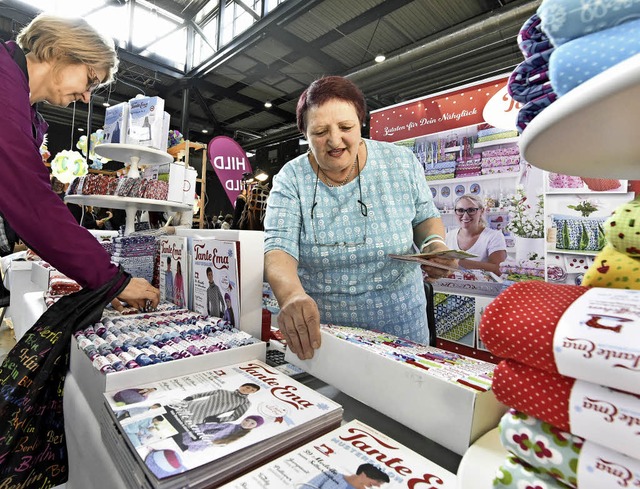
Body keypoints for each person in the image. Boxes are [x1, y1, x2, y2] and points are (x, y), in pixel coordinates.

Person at [263, 76, 455, 360]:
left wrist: (434, 244)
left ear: (361, 122)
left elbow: (424, 216)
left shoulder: (400, 162)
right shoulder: (291, 178)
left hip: (401, 323)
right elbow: (279, 246)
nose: (334, 140)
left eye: (345, 127)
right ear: (304, 134)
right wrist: (291, 295)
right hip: (322, 331)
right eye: (319, 132)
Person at [0, 14, 159, 311]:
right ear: (62, 51)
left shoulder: (21, 106)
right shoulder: (4, 90)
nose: (87, 97)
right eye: (91, 80)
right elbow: (34, 202)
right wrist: (114, 280)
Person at [444, 194, 507, 276]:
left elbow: (498, 270)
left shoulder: (494, 236)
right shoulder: (449, 236)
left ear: (481, 211)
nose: (465, 216)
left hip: (483, 288)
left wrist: (458, 262)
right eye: (460, 210)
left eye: (471, 210)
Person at [178, 383, 260, 425]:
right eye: (247, 387)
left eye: (252, 390)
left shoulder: (245, 402)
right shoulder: (222, 391)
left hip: (199, 417)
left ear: (254, 393)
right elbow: (200, 395)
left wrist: (217, 420)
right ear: (241, 386)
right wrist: (189, 398)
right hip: (189, 406)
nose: (248, 390)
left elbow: (234, 417)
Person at [176, 415, 264, 452]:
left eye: (252, 423)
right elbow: (206, 426)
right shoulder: (230, 426)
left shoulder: (239, 438)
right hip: (187, 438)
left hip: (192, 446)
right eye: (247, 420)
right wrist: (196, 434)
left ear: (254, 427)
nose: (247, 423)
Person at [302, 463, 390, 489]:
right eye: (378, 482)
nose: (378, 486)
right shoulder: (331, 474)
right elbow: (306, 487)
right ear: (364, 474)